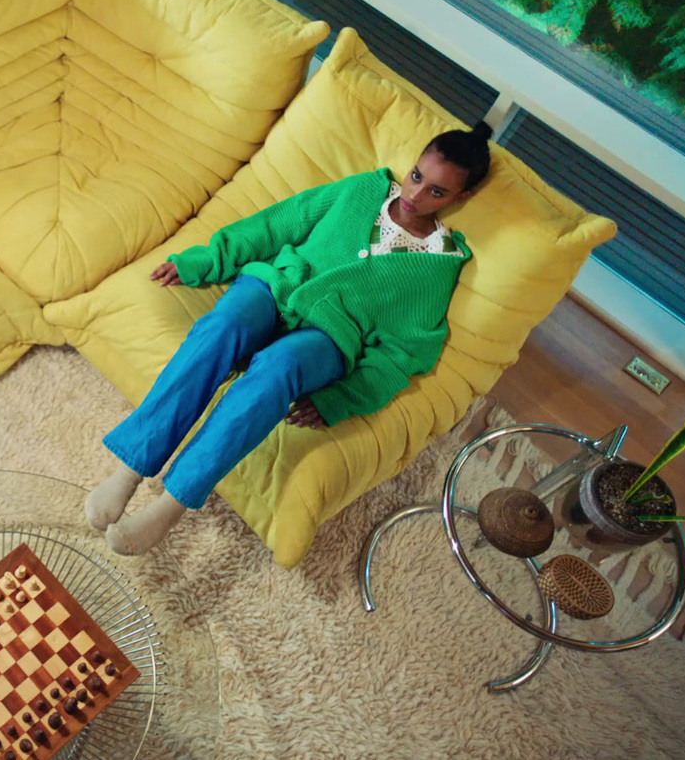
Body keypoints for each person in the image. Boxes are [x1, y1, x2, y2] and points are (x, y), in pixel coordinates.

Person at [85, 123, 493, 556]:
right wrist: (205, 261)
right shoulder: (363, 190)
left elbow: (405, 352)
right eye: (417, 176)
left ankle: (170, 506)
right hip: (278, 286)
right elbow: (280, 223)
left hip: (329, 337)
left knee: (277, 372)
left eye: (437, 192)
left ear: (460, 198)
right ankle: (130, 470)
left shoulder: (438, 265)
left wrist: (343, 398)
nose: (415, 195)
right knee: (221, 328)